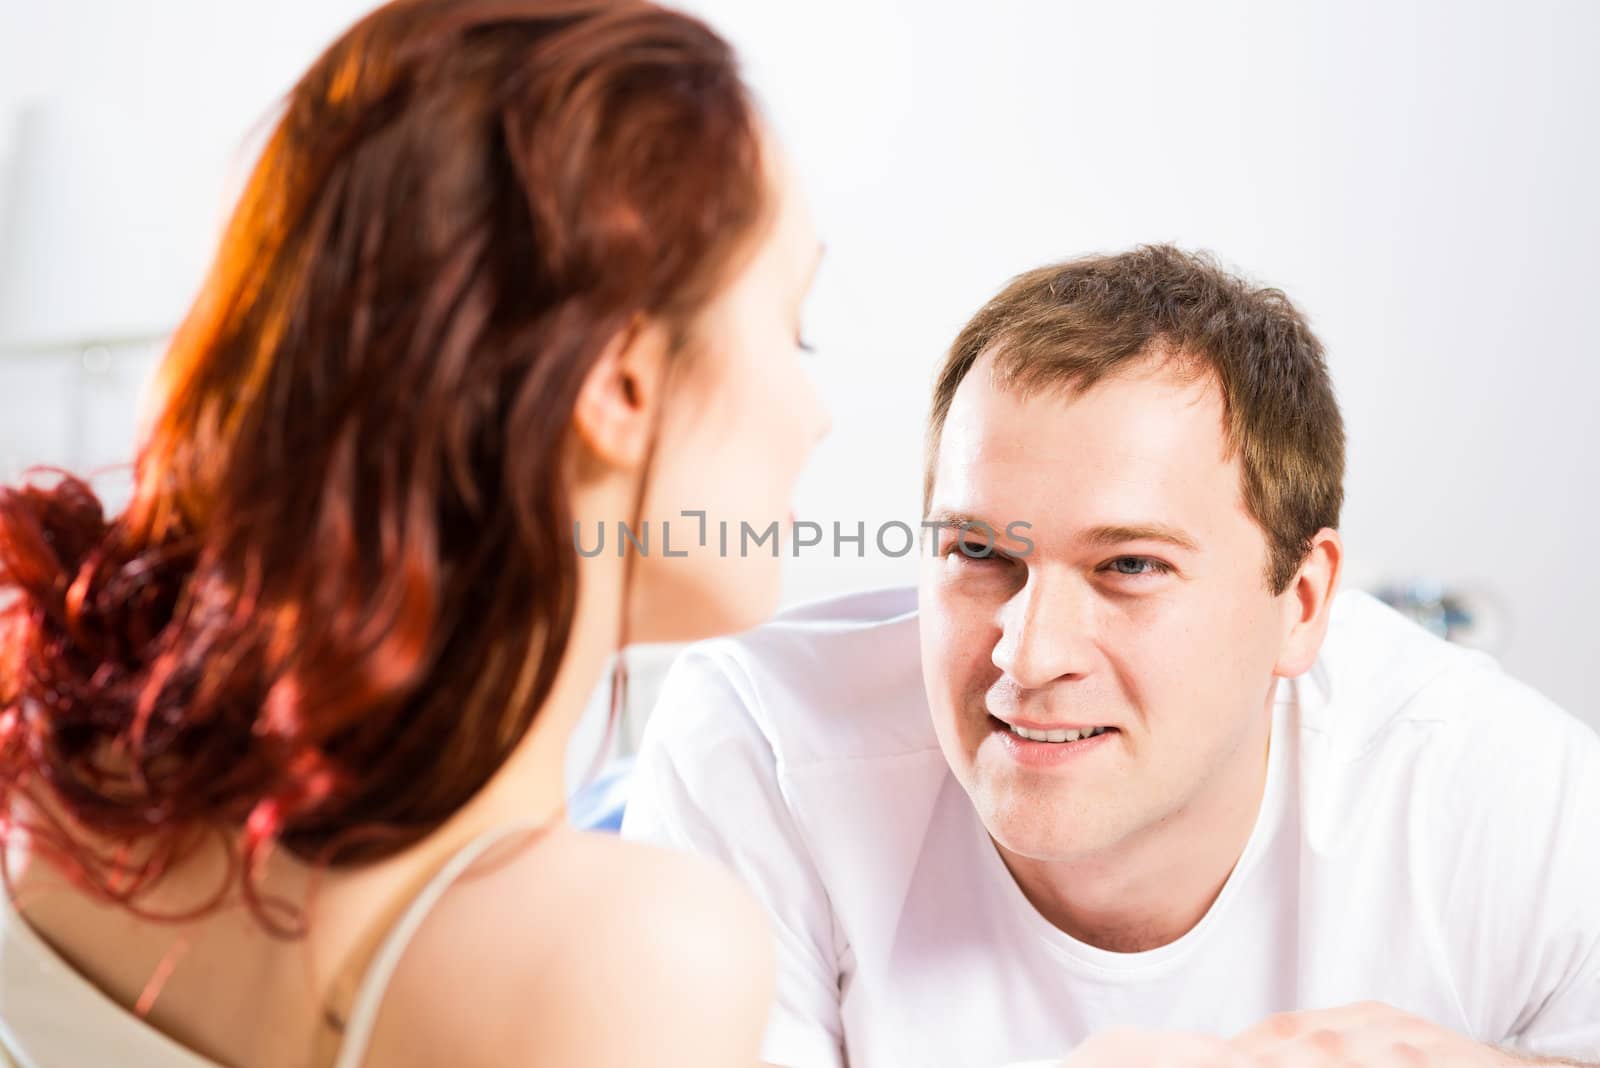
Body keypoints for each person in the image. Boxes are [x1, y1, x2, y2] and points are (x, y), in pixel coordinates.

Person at [0, 1, 827, 1064]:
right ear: (619, 382)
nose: (818, 414)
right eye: (795, 328)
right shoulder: (629, 954)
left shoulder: (66, 770)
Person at [622, 246, 1600, 1068]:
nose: (1029, 654)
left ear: (1300, 604)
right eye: (977, 553)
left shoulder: (1506, 794)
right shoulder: (762, 751)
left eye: (1129, 565)